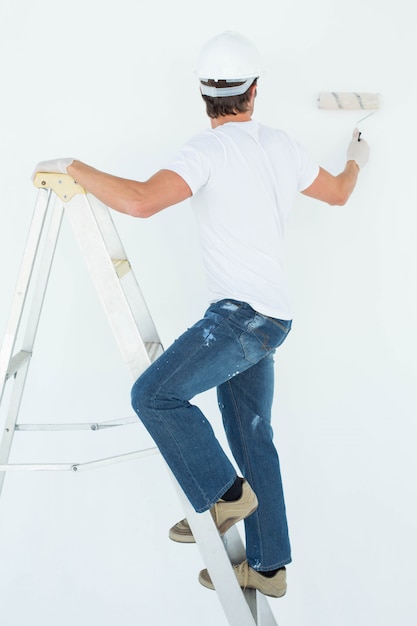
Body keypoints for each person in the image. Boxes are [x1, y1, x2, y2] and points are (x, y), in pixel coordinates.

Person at [32, 31, 369, 598]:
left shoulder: (206, 151)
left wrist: (73, 165)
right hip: (272, 322)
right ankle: (268, 565)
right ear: (254, 92)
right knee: (253, 437)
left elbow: (140, 201)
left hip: (239, 321)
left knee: (153, 395)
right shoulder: (281, 145)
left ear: (204, 95)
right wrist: (357, 158)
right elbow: (338, 192)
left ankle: (223, 494)